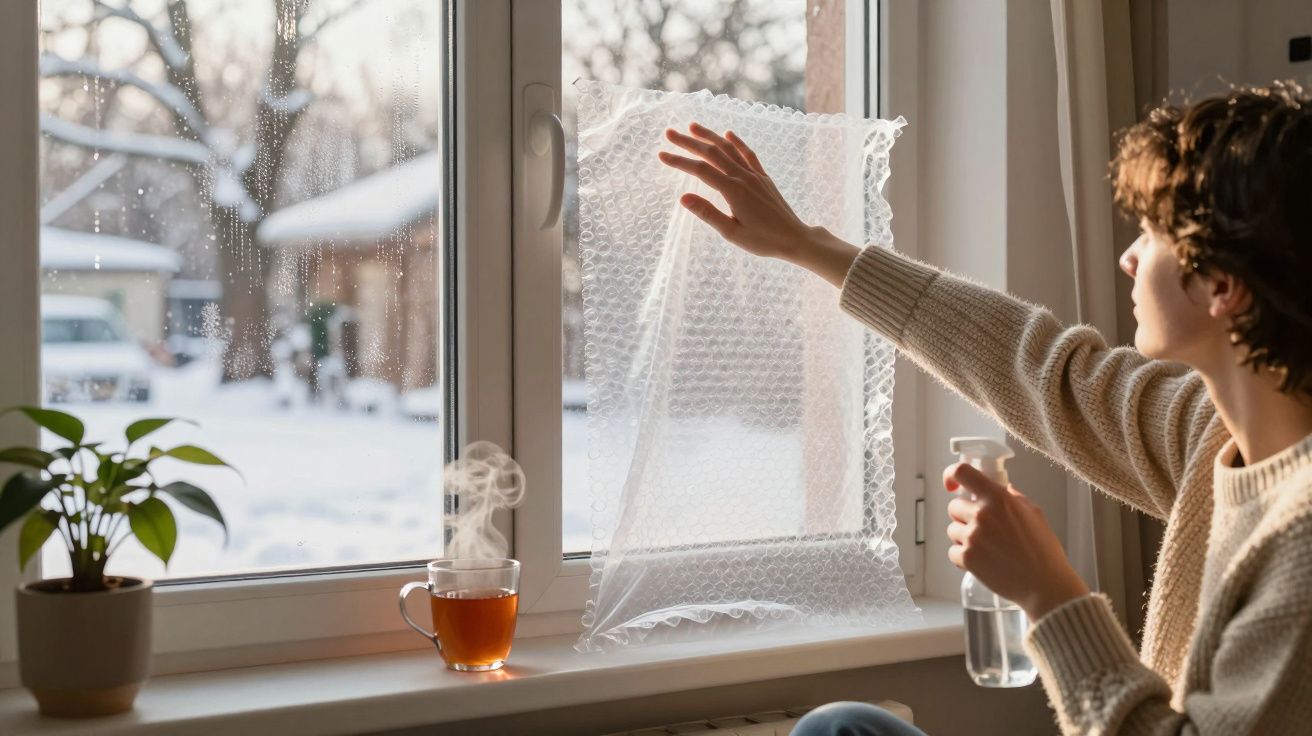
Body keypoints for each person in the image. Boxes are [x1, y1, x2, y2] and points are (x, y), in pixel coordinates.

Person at [657, 81, 1312, 735]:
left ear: (1222, 285)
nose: (1128, 257)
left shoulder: (1301, 541)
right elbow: (1038, 369)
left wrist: (1051, 596)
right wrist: (807, 245)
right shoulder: (1209, 431)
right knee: (844, 728)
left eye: (1151, 233)